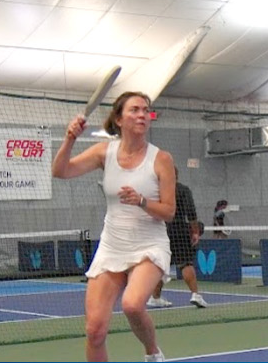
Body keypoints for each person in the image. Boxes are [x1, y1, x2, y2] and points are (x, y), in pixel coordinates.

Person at [52, 91, 176, 362]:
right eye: (135, 110)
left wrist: (142, 201)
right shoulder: (103, 153)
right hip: (112, 246)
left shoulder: (161, 159)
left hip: (149, 245)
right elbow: (61, 171)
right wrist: (69, 139)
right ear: (119, 119)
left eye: (146, 110)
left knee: (132, 304)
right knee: (94, 331)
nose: (142, 115)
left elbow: (168, 211)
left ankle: (152, 352)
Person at [150, 170, 207, 309]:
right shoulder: (183, 190)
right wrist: (195, 232)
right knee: (185, 264)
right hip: (180, 231)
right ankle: (195, 295)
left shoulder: (156, 192)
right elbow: (191, 212)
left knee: (162, 266)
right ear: (177, 176)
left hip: (161, 232)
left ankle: (155, 297)